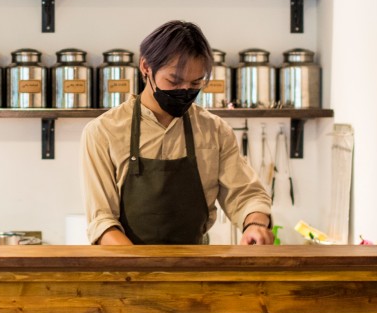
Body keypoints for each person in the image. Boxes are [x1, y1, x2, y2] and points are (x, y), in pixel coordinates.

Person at [81, 20, 273, 245]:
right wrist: (142, 268)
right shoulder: (103, 132)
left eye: (195, 83)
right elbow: (102, 221)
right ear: (146, 67)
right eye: (174, 80)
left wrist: (255, 225)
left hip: (193, 267)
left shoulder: (215, 131)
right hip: (127, 271)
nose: (184, 91)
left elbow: (246, 195)